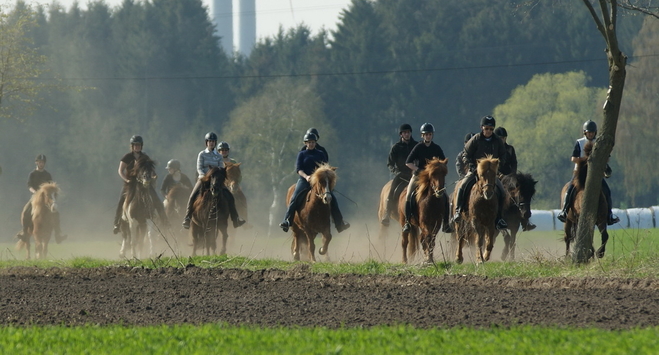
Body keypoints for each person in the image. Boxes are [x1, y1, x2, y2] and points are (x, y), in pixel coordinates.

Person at [280, 132, 350, 233]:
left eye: (313, 142)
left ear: (315, 143)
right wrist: (306, 176)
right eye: (309, 142)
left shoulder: (320, 154)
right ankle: (287, 221)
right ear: (305, 143)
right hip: (304, 180)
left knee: (332, 198)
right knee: (294, 198)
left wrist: (327, 174)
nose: (311, 144)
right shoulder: (302, 154)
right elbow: (299, 169)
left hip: (318, 181)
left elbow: (325, 168)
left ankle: (339, 223)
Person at [451, 115, 509, 230]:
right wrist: (471, 166)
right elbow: (465, 154)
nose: (488, 131)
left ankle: (499, 218)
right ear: (482, 128)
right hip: (475, 171)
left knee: (502, 191)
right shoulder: (476, 139)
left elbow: (503, 155)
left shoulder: (497, 141)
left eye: (491, 129)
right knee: (462, 186)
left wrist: (497, 166)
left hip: (491, 174)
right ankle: (458, 211)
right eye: (486, 128)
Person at [557, 120, 619, 225]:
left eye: (592, 132)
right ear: (585, 133)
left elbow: (606, 158)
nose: (590, 134)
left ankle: (609, 215)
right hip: (580, 172)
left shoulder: (599, 143)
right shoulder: (579, 142)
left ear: (595, 132)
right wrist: (585, 160)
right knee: (570, 189)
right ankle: (564, 211)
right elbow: (573, 158)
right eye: (588, 132)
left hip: (595, 174)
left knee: (607, 191)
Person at [181, 132, 246, 230]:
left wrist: (220, 178)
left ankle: (235, 219)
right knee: (192, 196)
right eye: (209, 141)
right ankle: (187, 218)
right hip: (204, 179)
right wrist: (205, 177)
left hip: (216, 180)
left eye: (213, 141)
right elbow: (199, 168)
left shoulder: (219, 156)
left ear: (215, 143)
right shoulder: (202, 154)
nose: (211, 143)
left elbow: (220, 168)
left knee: (230, 197)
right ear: (206, 142)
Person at [401, 123, 452, 233]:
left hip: (433, 178)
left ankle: (446, 224)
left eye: (430, 134)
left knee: (446, 197)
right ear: (422, 136)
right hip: (419, 176)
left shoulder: (436, 148)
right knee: (409, 195)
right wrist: (419, 170)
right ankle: (407, 222)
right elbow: (408, 162)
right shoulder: (418, 147)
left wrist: (439, 167)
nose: (428, 136)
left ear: (432, 135)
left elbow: (443, 162)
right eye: (426, 134)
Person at [113, 135, 168, 234]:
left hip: (144, 182)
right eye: (135, 145)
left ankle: (165, 221)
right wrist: (126, 180)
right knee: (121, 200)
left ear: (141, 146)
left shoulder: (145, 157)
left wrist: (153, 176)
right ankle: (117, 223)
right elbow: (120, 170)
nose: (137, 147)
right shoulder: (127, 157)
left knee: (156, 199)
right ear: (132, 146)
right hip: (130, 183)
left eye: (139, 145)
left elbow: (150, 170)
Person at [16, 154, 67, 243]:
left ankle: (58, 235)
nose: (41, 164)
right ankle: (24, 233)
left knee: (56, 213)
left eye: (42, 162)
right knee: (26, 211)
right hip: (35, 197)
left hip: (47, 198)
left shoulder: (47, 174)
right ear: (36, 163)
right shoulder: (32, 174)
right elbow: (29, 186)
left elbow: (51, 186)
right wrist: (35, 192)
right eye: (40, 162)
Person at [494, 127, 536, 231]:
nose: (502, 140)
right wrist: (499, 174)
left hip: (510, 177)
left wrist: (512, 174)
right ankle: (497, 216)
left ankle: (525, 221)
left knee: (521, 193)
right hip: (497, 177)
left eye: (503, 138)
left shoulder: (510, 149)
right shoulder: (493, 150)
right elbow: (493, 165)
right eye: (500, 138)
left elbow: (514, 163)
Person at [381, 123, 417, 226]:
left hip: (414, 174)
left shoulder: (416, 146)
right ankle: (387, 213)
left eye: (408, 132)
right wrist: (397, 172)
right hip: (401, 175)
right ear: (401, 134)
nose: (407, 134)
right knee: (392, 190)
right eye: (405, 132)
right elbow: (390, 164)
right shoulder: (396, 147)